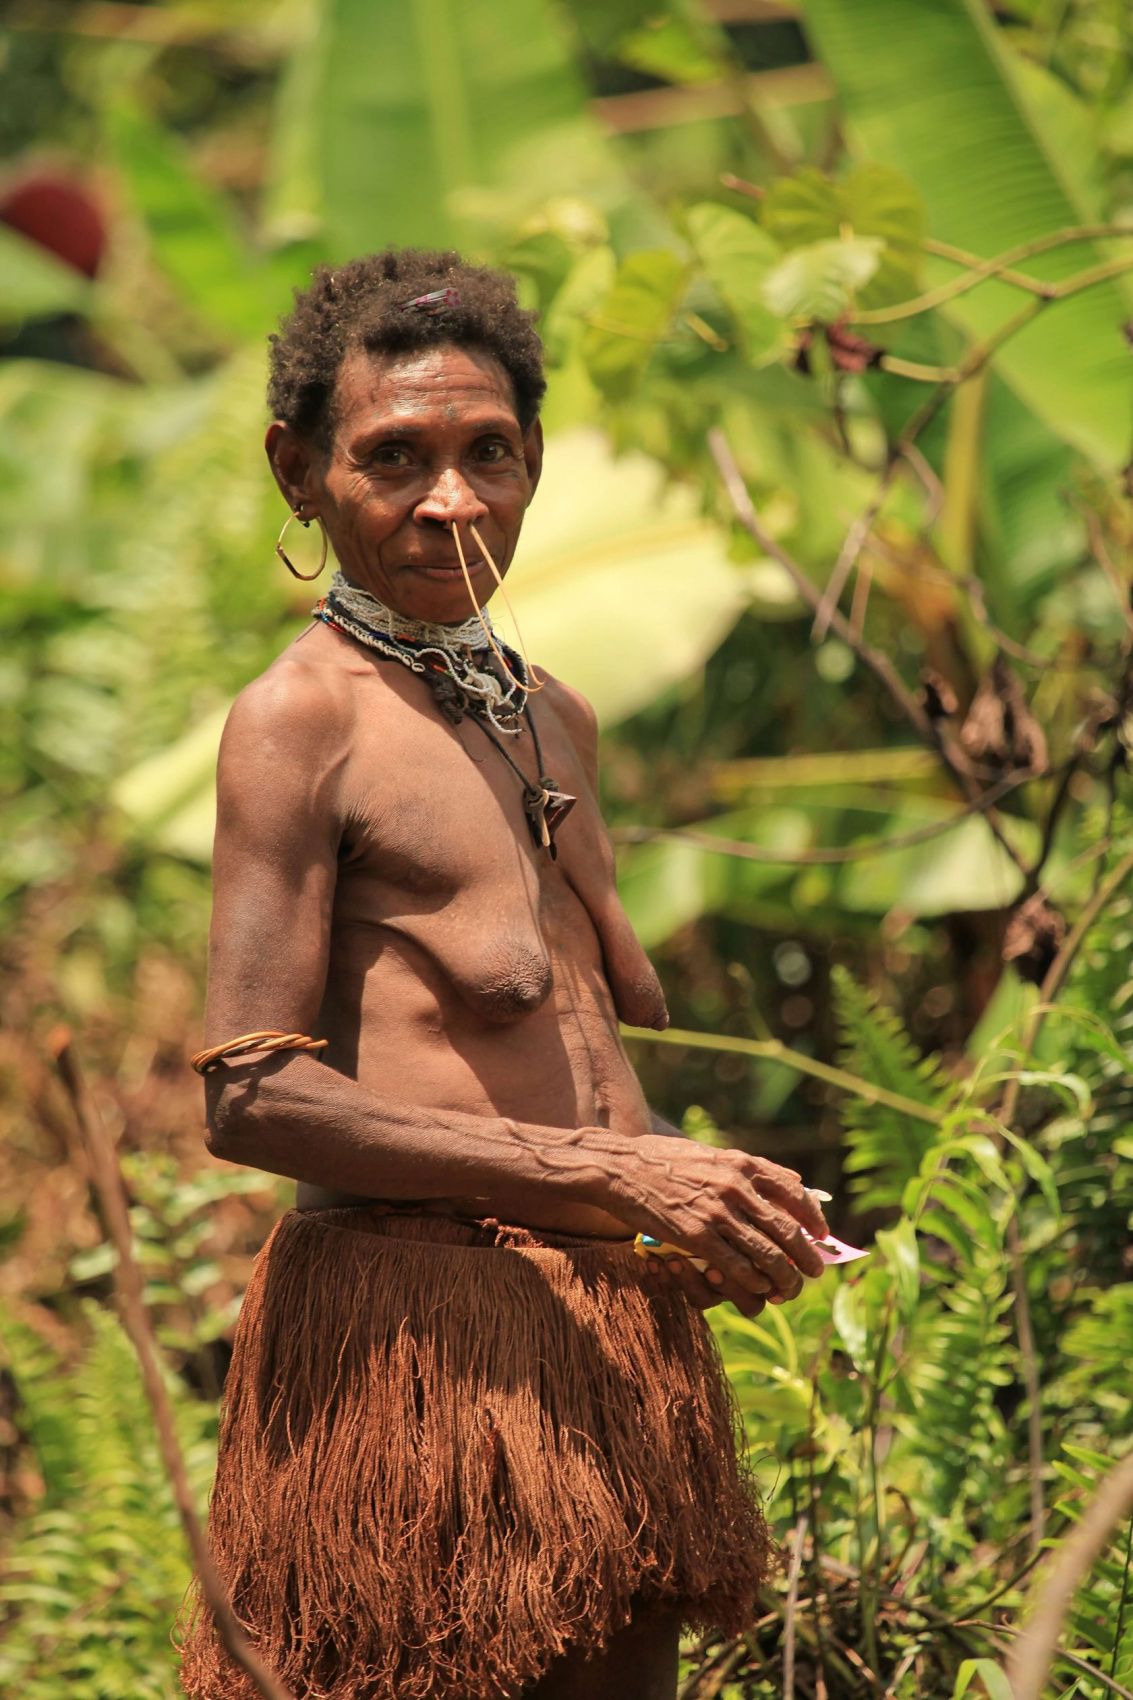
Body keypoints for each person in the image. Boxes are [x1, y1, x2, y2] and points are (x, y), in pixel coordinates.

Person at [178, 248, 830, 1700]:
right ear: (299, 471)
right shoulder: (299, 723)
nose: (450, 501)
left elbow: (578, 1052)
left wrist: (699, 1203)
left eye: (489, 454)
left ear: (533, 461)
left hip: (610, 1336)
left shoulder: (553, 715)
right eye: (393, 458)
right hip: (413, 1346)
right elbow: (251, 1100)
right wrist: (617, 1183)